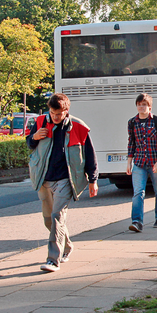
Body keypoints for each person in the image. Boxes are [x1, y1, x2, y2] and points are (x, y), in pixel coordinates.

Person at [27, 93, 99, 273]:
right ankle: (67, 246)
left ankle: (53, 260)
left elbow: (90, 154)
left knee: (57, 216)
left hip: (66, 180)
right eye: (52, 113)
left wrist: (93, 179)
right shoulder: (41, 122)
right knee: (48, 220)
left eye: (59, 114)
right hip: (44, 179)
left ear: (66, 111)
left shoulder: (79, 127)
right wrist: (35, 137)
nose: (55, 117)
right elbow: (29, 144)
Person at [126, 93, 157, 232]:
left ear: (149, 106)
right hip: (139, 162)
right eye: (139, 104)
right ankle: (137, 221)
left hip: (155, 161)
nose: (141, 107)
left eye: (144, 104)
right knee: (138, 192)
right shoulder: (132, 122)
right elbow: (131, 143)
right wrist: (129, 162)